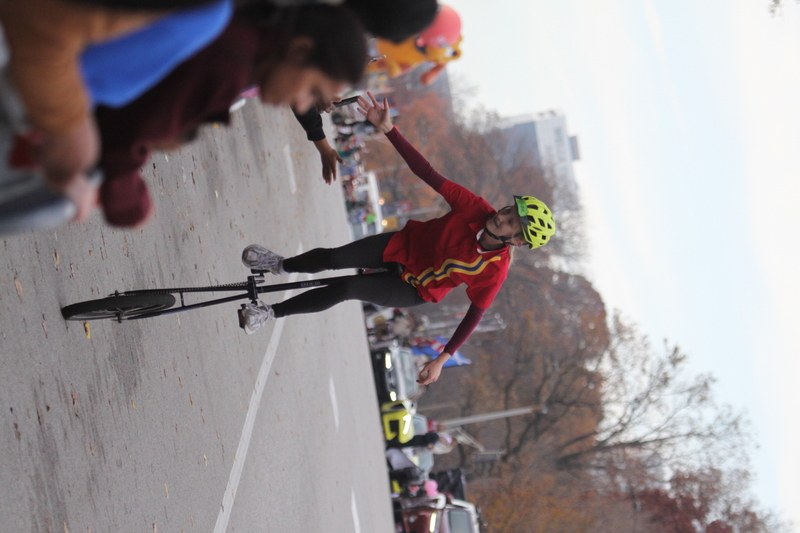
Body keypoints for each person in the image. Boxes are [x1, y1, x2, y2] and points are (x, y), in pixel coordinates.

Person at [238, 92, 556, 386]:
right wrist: (389, 129)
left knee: (348, 288)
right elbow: (427, 172)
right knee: (335, 259)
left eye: (510, 223)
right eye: (508, 210)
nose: (501, 216)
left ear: (516, 240)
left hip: (413, 288)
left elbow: (475, 315)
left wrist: (442, 358)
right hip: (401, 247)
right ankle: (279, 263)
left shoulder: (494, 271)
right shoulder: (474, 207)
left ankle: (269, 313)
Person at [93, 3, 368, 227]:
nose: (300, 105)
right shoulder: (229, 66)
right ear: (299, 50)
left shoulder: (244, 38)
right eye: (312, 90)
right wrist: (133, 206)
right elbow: (122, 137)